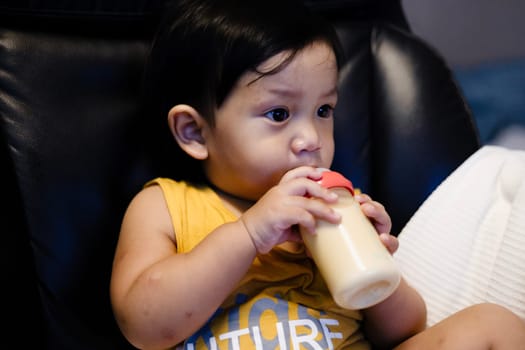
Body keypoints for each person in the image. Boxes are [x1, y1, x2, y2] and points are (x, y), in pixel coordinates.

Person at [110, 0, 525, 349]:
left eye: (324, 110)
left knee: (493, 325)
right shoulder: (165, 204)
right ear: (195, 132)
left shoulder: (335, 209)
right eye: (278, 114)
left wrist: (378, 270)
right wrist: (251, 234)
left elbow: (404, 331)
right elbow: (145, 325)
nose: (310, 138)